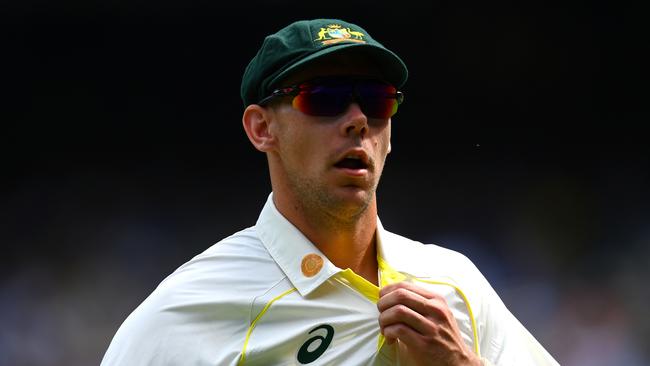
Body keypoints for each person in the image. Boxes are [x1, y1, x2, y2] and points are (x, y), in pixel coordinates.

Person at [101, 19, 559, 365]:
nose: (358, 119)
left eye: (377, 100)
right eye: (323, 96)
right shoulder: (185, 313)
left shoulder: (454, 284)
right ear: (262, 128)